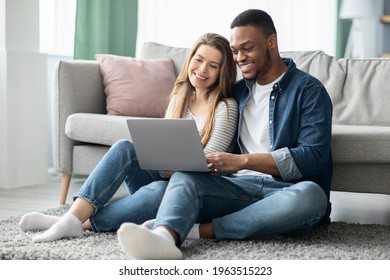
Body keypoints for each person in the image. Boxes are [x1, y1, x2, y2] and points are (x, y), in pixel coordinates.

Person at [117, 9, 333, 260]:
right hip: (236, 188)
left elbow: (314, 156)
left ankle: (201, 231)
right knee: (185, 177)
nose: (239, 58)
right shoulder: (237, 93)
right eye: (235, 50)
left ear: (271, 42)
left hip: (283, 192)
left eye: (247, 48)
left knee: (311, 196)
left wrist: (242, 161)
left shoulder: (309, 90)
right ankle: (165, 237)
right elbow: (204, 114)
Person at [18, 32, 238, 242]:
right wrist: (158, 157)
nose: (202, 69)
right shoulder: (180, 97)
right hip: (166, 175)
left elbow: (207, 161)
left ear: (222, 72)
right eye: (198, 60)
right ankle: (72, 218)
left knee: (159, 191)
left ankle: (72, 223)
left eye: (213, 65)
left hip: (189, 193)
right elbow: (167, 146)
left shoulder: (226, 108)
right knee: (125, 147)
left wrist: (170, 164)